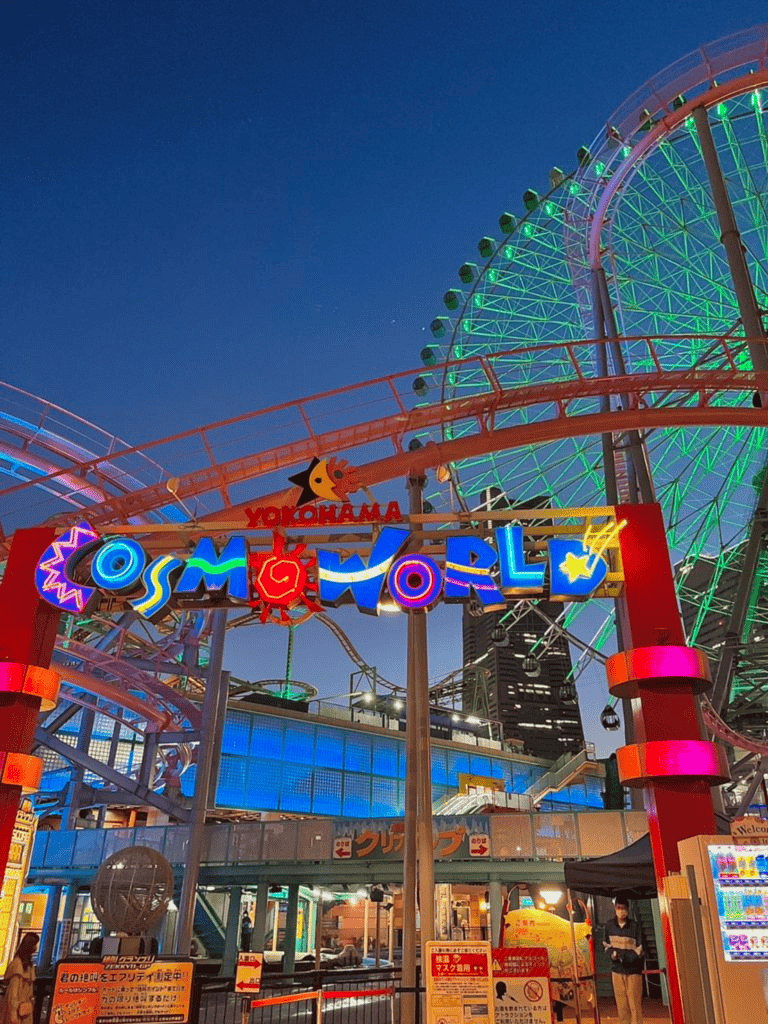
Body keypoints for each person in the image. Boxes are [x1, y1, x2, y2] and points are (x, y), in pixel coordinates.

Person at [603, 897, 644, 1024]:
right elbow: (606, 946)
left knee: (634, 1004)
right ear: (615, 909)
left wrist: (623, 957)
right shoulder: (609, 926)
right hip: (617, 971)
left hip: (633, 971)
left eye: (624, 908)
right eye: (619, 908)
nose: (621, 911)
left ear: (628, 910)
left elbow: (640, 950)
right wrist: (613, 954)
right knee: (621, 1005)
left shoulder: (635, 926)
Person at [0, 933, 38, 1024]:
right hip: (17, 1010)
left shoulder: (27, 963)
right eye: (34, 944)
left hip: (24, 1008)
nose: (36, 947)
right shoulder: (18, 964)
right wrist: (12, 1014)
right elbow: (13, 992)